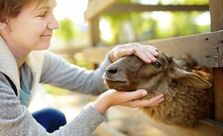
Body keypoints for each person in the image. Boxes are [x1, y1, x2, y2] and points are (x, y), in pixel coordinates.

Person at [0, 0, 165, 136]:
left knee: (52, 118)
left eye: (52, 12)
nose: (55, 24)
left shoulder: (35, 59)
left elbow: (91, 83)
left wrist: (114, 56)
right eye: (42, 14)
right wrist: (103, 104)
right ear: (3, 19)